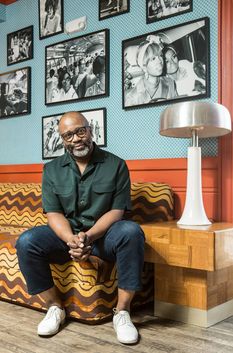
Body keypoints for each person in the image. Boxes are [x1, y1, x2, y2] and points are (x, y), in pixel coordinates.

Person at [16, 111, 145, 345]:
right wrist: (71, 240)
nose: (75, 139)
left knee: (131, 232)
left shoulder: (116, 165)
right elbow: (53, 213)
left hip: (105, 236)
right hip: (67, 237)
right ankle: (55, 307)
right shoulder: (51, 169)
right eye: (68, 135)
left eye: (80, 131)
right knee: (26, 241)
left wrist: (89, 236)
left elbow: (117, 211)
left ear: (90, 130)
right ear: (62, 140)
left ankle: (122, 312)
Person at [125, 35, 177, 107]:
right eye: (153, 59)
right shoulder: (133, 97)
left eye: (160, 56)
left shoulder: (170, 83)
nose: (159, 61)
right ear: (144, 66)